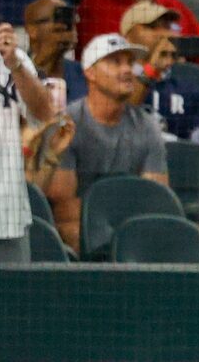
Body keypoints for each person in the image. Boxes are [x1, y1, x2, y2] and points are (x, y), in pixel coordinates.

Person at [38, 32, 166, 251]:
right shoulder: (67, 125)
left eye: (129, 62)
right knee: (73, 230)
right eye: (115, 62)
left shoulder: (147, 126)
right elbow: (63, 206)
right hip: (82, 227)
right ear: (90, 73)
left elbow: (156, 197)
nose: (127, 70)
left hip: (131, 228)